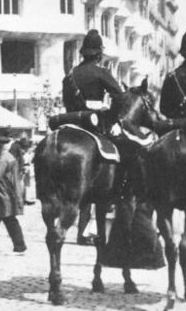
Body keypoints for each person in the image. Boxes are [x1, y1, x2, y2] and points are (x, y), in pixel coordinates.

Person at [62, 29, 123, 246]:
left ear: (82, 53)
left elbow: (66, 103)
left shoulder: (70, 76)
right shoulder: (101, 72)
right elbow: (120, 97)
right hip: (96, 125)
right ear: (98, 54)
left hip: (71, 123)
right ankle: (121, 190)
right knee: (120, 156)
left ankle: (78, 231)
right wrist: (111, 115)